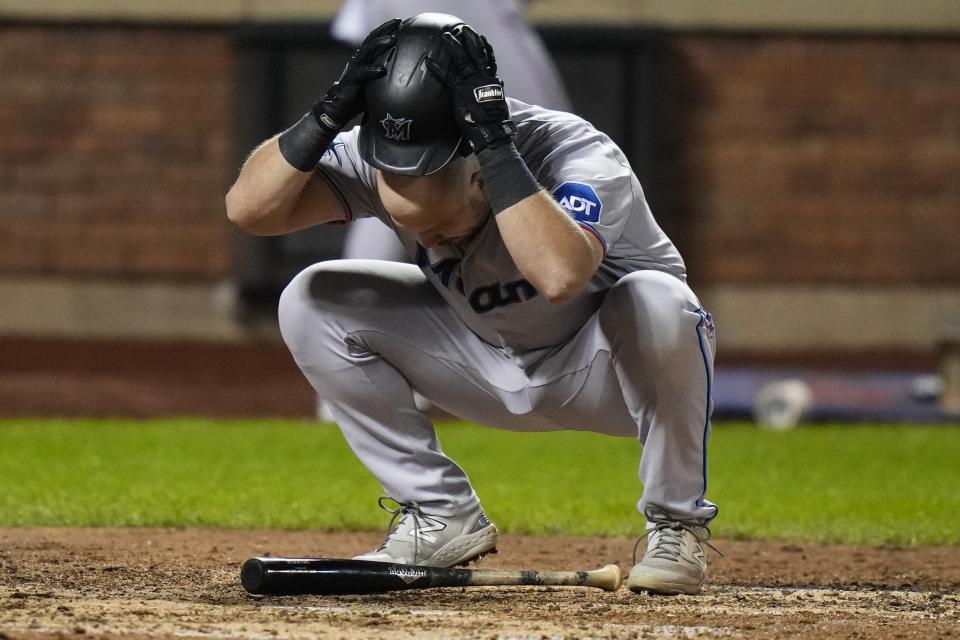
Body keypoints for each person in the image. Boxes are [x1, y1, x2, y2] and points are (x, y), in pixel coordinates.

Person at [225, 14, 719, 596]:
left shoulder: (576, 153)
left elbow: (559, 275)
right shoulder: (393, 153)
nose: (434, 242)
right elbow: (249, 210)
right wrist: (328, 111)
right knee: (313, 298)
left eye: (443, 225)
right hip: (483, 362)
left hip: (608, 374)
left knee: (661, 300)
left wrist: (496, 147)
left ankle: (676, 523)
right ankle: (440, 514)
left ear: (477, 176)